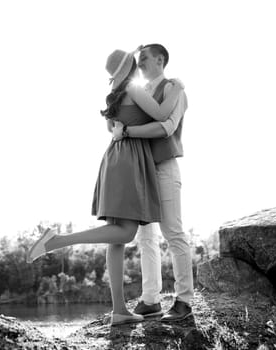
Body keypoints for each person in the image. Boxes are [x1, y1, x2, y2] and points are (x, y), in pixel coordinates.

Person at [26, 47, 184, 326]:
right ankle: (56, 241)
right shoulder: (134, 89)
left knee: (116, 241)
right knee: (125, 232)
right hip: (129, 161)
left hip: (116, 157)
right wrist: (178, 87)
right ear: (129, 68)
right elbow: (161, 113)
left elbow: (115, 128)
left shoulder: (116, 95)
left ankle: (119, 310)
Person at [112, 44, 194, 323]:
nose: (141, 63)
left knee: (173, 232)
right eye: (139, 60)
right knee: (146, 237)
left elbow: (167, 127)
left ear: (161, 59)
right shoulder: (140, 93)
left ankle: (184, 300)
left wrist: (128, 132)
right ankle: (151, 300)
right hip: (141, 171)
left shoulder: (175, 89)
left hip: (165, 168)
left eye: (145, 58)